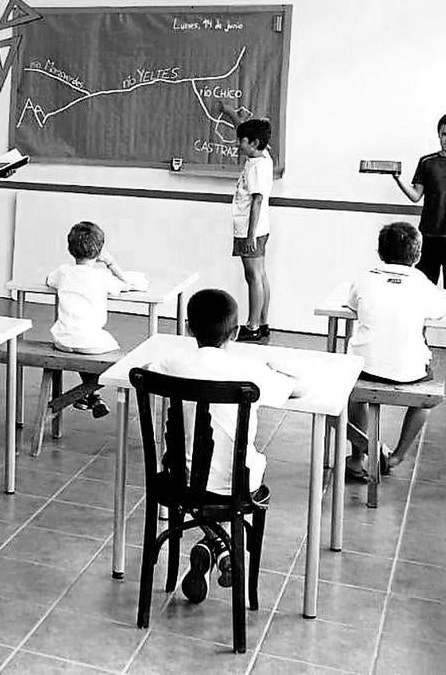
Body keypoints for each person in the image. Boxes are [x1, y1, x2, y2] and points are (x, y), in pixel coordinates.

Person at [152, 288, 303, 603]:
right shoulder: (248, 373)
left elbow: (147, 372)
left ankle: (213, 548)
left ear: (188, 328)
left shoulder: (172, 364)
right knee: (239, 487)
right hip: (235, 483)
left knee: (207, 486)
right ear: (235, 333)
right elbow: (298, 390)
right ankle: (224, 550)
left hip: (179, 480)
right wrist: (279, 370)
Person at [345, 223, 446, 479]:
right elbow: (439, 312)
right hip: (409, 372)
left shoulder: (365, 277)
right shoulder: (422, 283)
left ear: (379, 251)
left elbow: (352, 305)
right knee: (424, 392)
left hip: (364, 367)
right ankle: (397, 455)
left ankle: (359, 457)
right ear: (418, 254)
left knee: (353, 391)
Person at [393, 111, 446, 359]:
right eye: (444, 134)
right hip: (428, 236)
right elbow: (415, 195)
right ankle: (418, 338)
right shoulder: (427, 162)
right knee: (422, 289)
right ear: (438, 134)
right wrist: (397, 177)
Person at [45, 221, 144, 418]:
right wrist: (111, 263)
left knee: (81, 344)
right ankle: (90, 392)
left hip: (62, 341)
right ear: (99, 251)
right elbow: (126, 283)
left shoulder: (63, 272)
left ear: (70, 248)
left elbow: (49, 279)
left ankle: (89, 395)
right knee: (102, 348)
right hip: (90, 341)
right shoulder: (102, 276)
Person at [232, 119, 274, 342]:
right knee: (261, 274)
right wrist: (230, 114)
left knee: (253, 276)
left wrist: (250, 235)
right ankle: (263, 321)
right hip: (260, 228)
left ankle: (253, 325)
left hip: (251, 229)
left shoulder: (257, 167)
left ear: (254, 142)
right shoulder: (263, 155)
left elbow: (257, 201)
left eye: (242, 141)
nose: (238, 144)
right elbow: (248, 129)